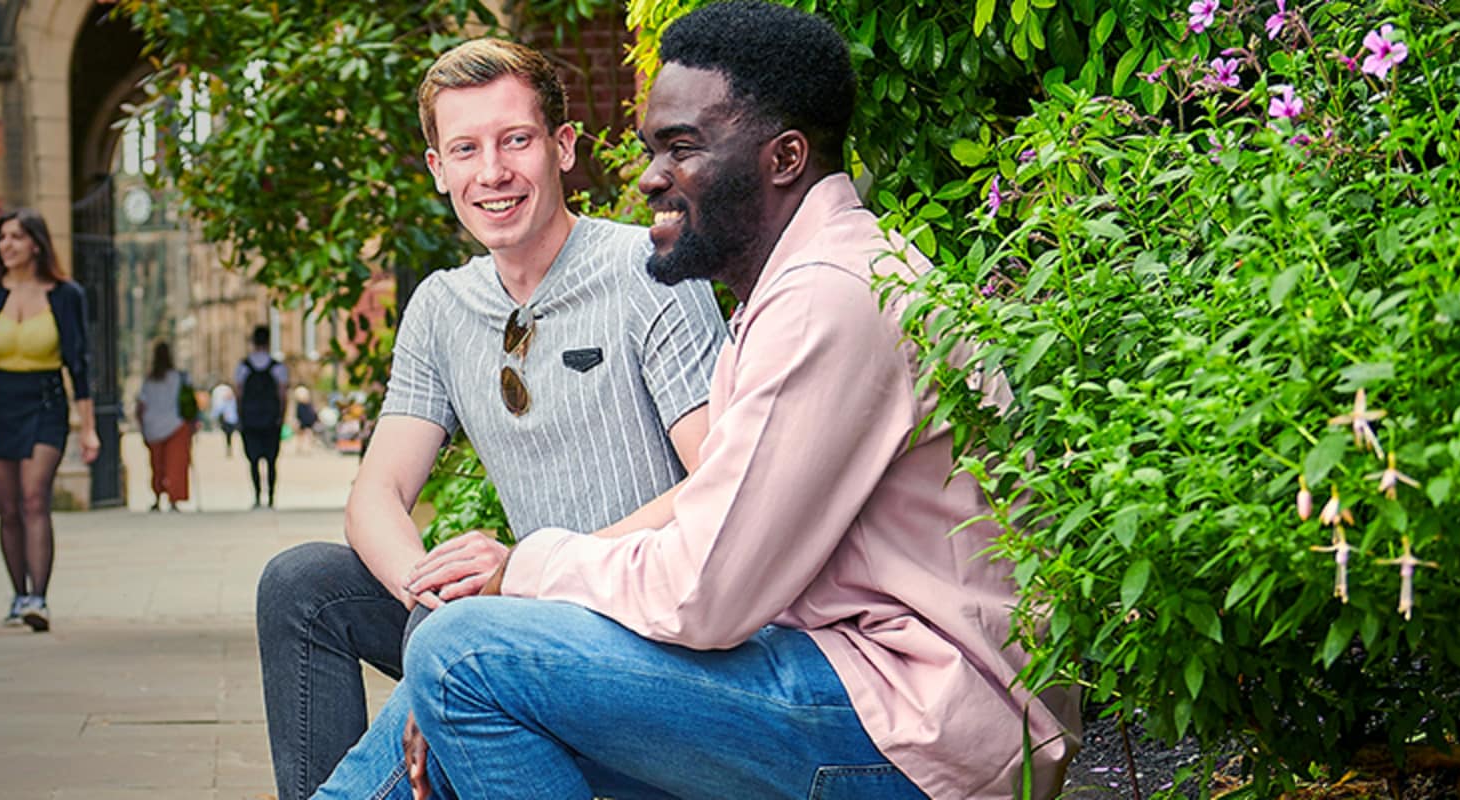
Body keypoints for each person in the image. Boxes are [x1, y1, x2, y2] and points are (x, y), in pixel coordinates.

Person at [312, 4, 1076, 798]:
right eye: (652, 149)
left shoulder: (830, 301)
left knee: (466, 655)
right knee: (447, 652)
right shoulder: (810, 280)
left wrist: (520, 573)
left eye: (684, 149)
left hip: (920, 728)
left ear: (783, 158)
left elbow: (706, 589)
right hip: (861, 687)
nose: (649, 179)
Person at [255, 36, 732, 800]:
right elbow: (375, 496)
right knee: (303, 586)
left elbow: (723, 480)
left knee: (455, 637)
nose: (493, 173)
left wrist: (524, 573)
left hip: (639, 616)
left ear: (563, 147)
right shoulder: (444, 307)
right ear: (438, 168)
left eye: (516, 140)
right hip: (519, 609)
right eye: (466, 149)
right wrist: (436, 592)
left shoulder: (649, 269)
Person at [0, 209, 96, 633]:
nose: (8, 245)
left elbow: (80, 365)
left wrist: (88, 427)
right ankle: (18, 594)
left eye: (17, 237)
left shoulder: (66, 294)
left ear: (36, 243)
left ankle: (39, 598)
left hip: (46, 404)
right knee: (8, 507)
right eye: (2, 238)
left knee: (35, 497)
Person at [129, 340, 198, 512]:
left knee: (157, 464)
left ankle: (158, 495)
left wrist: (142, 426)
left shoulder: (148, 381)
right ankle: (174, 499)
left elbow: (141, 405)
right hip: (175, 424)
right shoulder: (179, 377)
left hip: (153, 426)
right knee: (176, 464)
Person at [230, 327, 293, 508]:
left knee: (253, 460)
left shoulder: (243, 367)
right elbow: (282, 394)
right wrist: (282, 416)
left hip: (250, 420)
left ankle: (257, 496)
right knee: (272, 461)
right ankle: (271, 497)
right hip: (271, 420)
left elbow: (239, 393)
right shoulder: (278, 367)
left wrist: (240, 416)